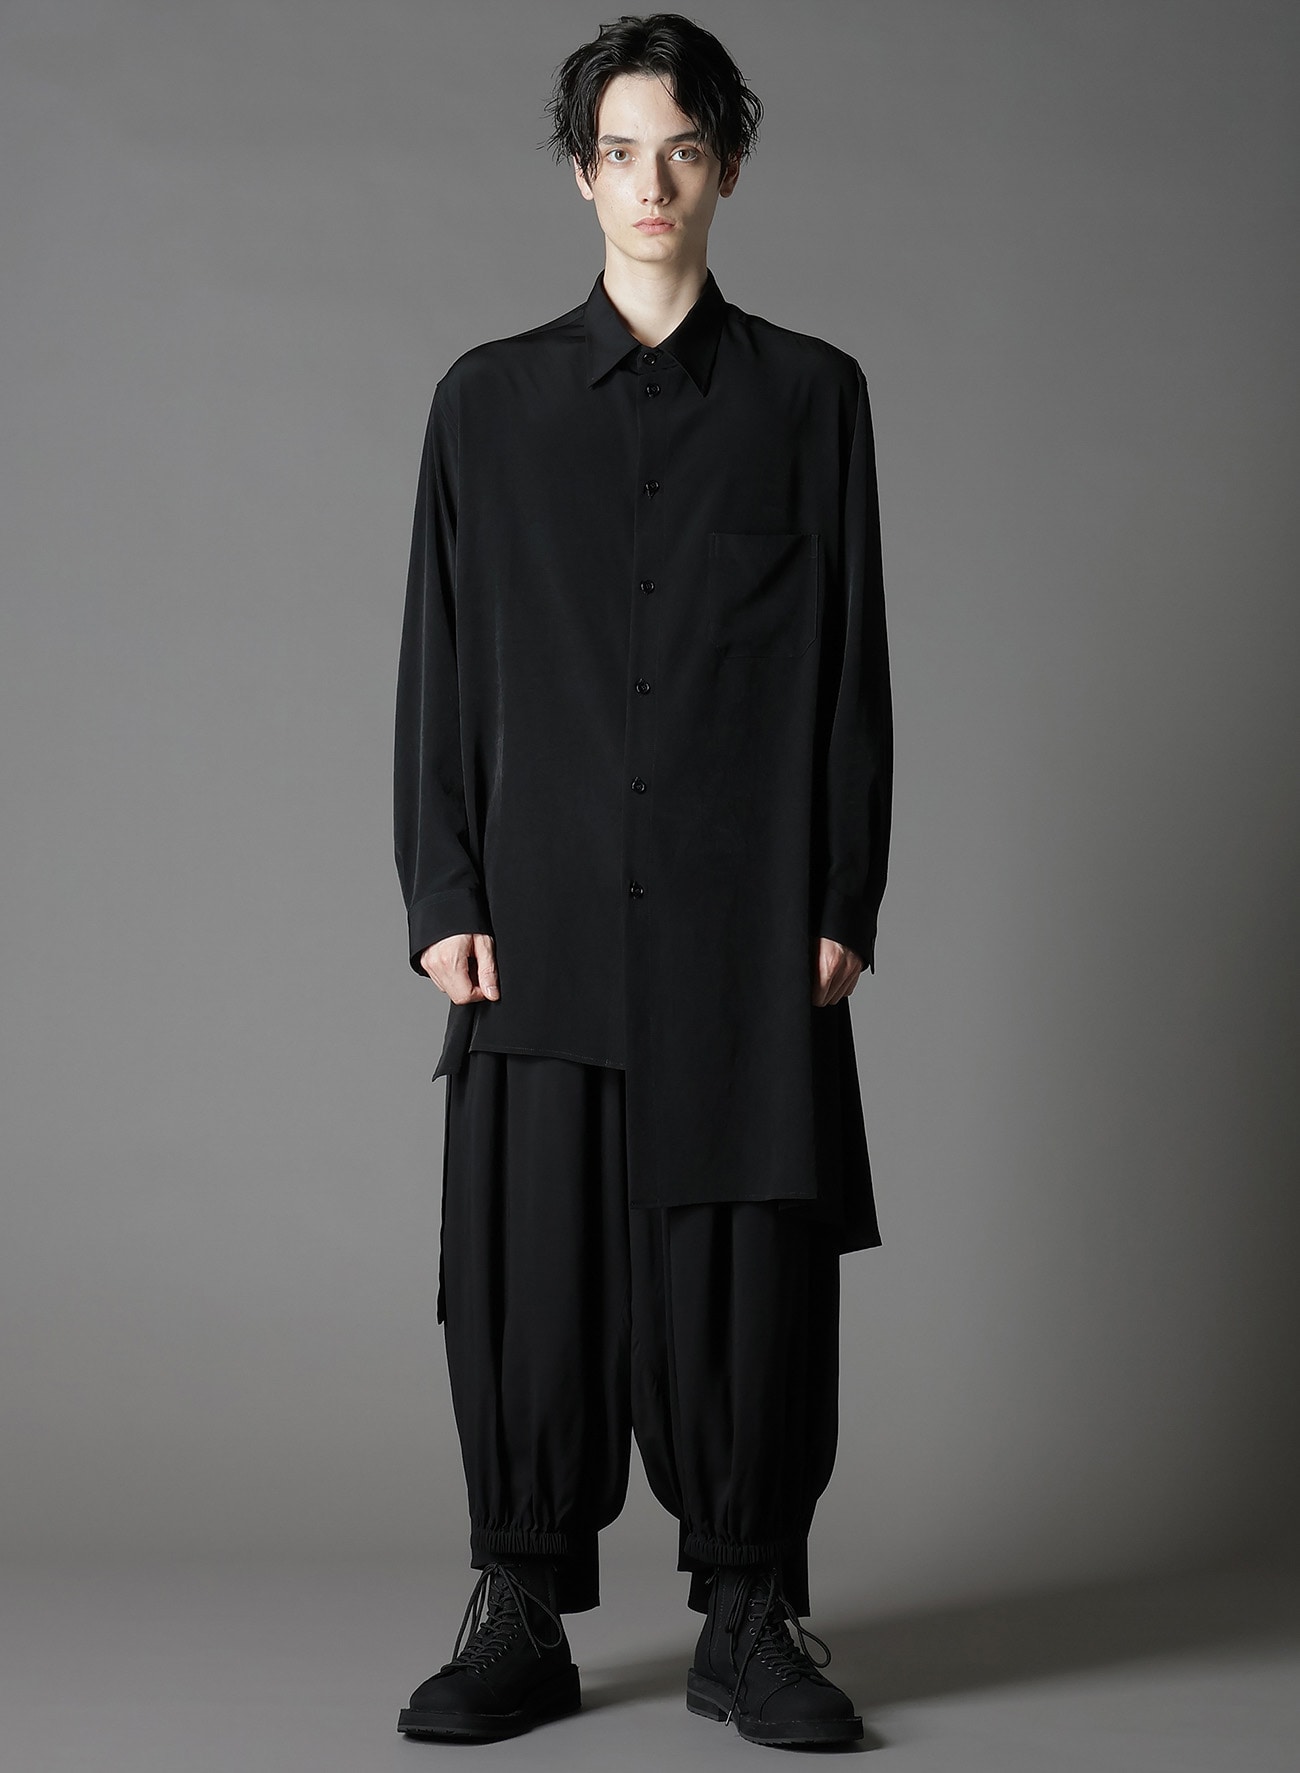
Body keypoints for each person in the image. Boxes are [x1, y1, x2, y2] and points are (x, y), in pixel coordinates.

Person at [392, 10, 893, 1750]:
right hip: (536, 925)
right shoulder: (488, 404)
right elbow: (438, 661)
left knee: (750, 1273)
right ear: (582, 173)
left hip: (744, 931)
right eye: (622, 152)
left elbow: (854, 669)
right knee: (529, 1277)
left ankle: (750, 1615)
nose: (652, 183)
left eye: (685, 148)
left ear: (727, 165)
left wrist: (844, 893)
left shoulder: (812, 401)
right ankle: (520, 1607)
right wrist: (442, 887)